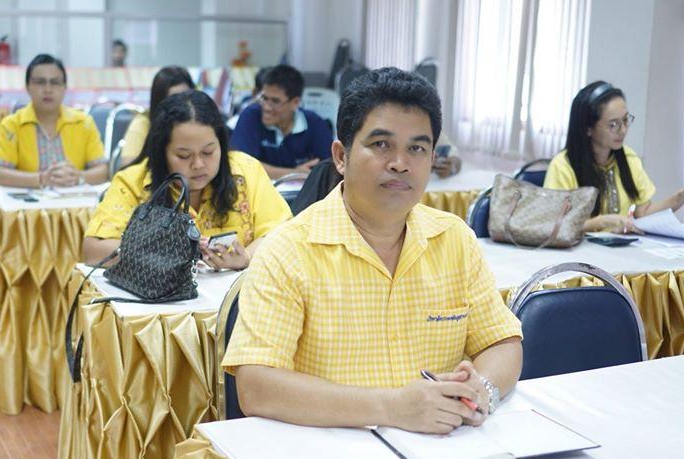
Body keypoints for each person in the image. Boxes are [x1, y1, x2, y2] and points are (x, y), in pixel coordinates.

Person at [223, 68, 523, 434]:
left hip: (443, 448)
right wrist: (391, 408)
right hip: (327, 450)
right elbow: (256, 387)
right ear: (340, 156)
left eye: (417, 148)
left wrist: (483, 389)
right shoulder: (288, 250)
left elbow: (501, 342)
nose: (400, 163)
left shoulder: (454, 239)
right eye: (381, 144)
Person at [82, 90, 292, 270]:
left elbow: (284, 234)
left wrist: (247, 257)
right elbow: (93, 250)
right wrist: (163, 252)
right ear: (162, 152)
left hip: (232, 300)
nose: (198, 164)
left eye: (208, 152)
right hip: (159, 304)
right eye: (184, 155)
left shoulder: (246, 170)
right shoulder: (133, 182)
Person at [545, 81, 684, 233]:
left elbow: (643, 213)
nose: (623, 130)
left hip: (622, 246)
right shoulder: (563, 166)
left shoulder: (629, 158)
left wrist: (680, 197)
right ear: (588, 128)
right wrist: (601, 222)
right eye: (613, 124)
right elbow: (554, 225)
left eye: (625, 120)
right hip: (581, 248)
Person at [0, 54, 108, 188]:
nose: (48, 90)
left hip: (75, 199)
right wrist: (41, 179)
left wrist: (78, 177)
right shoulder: (12, 124)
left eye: (55, 82)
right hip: (28, 200)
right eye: (40, 82)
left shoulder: (84, 122)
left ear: (64, 87)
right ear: (28, 86)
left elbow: (103, 171)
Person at [230, 64, 333, 180]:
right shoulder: (251, 116)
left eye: (275, 101)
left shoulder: (315, 124)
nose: (267, 107)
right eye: (264, 98)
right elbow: (241, 165)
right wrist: (295, 173)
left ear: (295, 102)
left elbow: (330, 169)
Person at [120, 66, 195, 166]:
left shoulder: (199, 123)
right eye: (174, 99)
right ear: (160, 101)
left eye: (187, 96)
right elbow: (128, 166)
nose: (182, 105)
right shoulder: (143, 123)